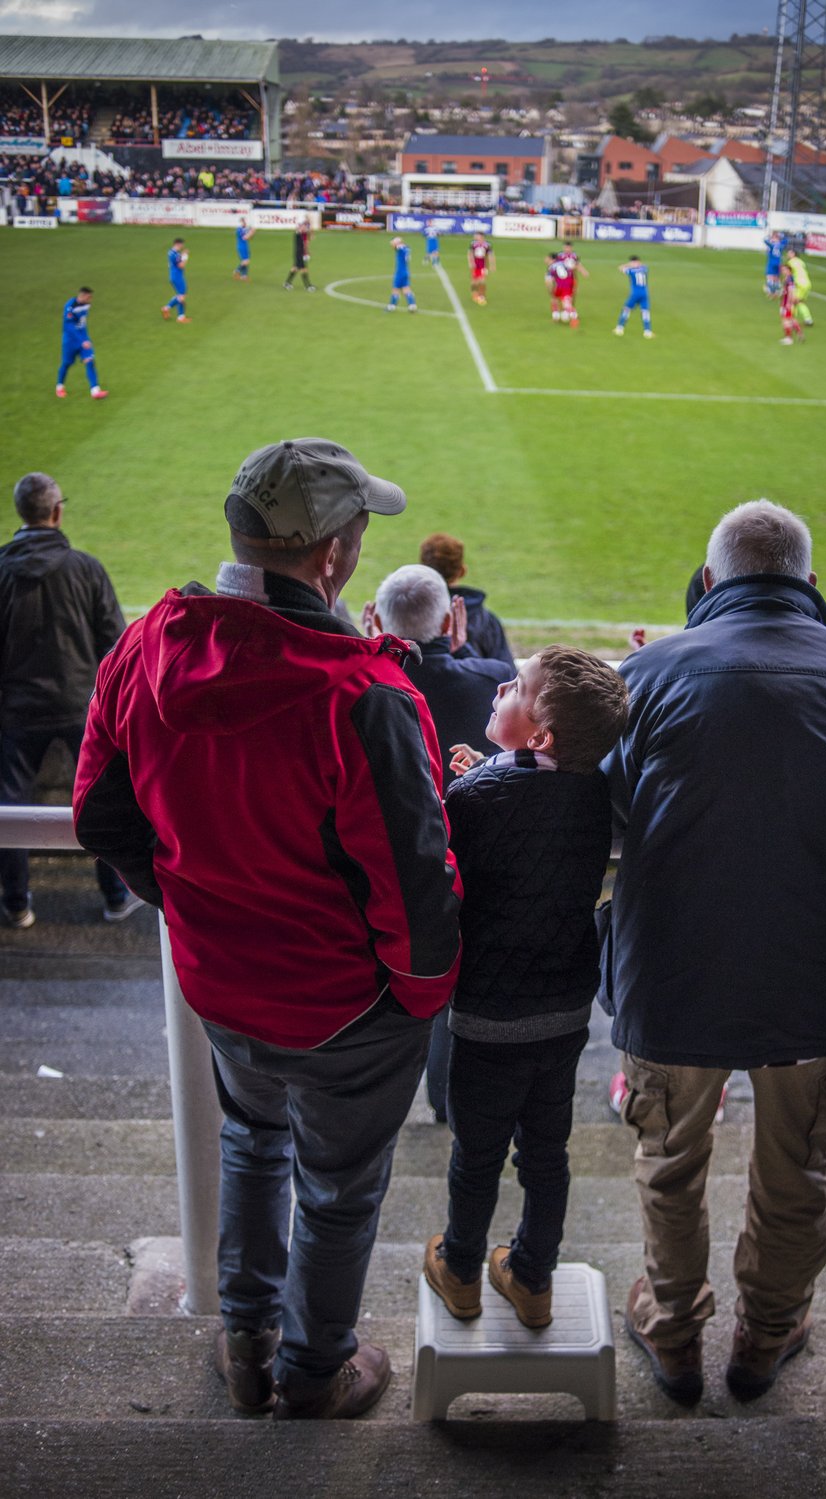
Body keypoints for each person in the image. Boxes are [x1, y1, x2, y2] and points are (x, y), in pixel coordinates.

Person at [73, 438, 462, 1420]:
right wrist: (417, 997)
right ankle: (314, 1367)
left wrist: (194, 904)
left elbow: (98, 812)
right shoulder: (360, 692)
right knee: (337, 1186)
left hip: (221, 981)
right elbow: (414, 882)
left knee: (252, 1140)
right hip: (346, 1006)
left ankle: (245, 1341)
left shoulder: (147, 642)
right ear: (331, 556)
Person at [602, 499, 826, 1406]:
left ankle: (675, 1329)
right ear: (810, 584)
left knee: (669, 1159)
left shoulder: (647, 670)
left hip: (674, 967)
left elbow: (610, 806)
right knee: (797, 1167)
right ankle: (765, 1337)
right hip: (807, 971)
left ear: (707, 581)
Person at [423, 647, 630, 1328]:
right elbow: (532, 811)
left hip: (487, 1012)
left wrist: (466, 785)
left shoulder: (475, 797)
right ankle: (533, 1276)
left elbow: (464, 844)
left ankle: (458, 1266)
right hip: (565, 1010)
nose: (501, 685)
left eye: (515, 684)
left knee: (476, 1152)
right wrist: (479, 776)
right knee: (546, 1149)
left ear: (539, 734)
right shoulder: (593, 793)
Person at [368, 563, 511, 1121]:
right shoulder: (494, 676)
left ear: (376, 619)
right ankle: (449, 1103)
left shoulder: (370, 687)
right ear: (455, 618)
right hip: (476, 866)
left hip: (389, 870)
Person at [1, 472, 134, 927]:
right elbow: (115, 645)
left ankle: (17, 903)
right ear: (57, 512)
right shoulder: (86, 569)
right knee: (102, 798)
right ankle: (115, 896)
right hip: (81, 707)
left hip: (16, 713)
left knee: (11, 806)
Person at [418, 531, 515, 673]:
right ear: (462, 571)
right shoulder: (486, 621)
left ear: (422, 569)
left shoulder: (407, 615)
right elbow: (509, 676)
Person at [56, 286, 108, 399]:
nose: (91, 299)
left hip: (83, 339)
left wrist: (86, 339)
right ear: (83, 296)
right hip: (70, 341)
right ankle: (59, 387)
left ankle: (95, 391)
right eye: (89, 297)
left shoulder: (86, 305)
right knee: (66, 363)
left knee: (90, 361)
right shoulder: (70, 307)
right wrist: (81, 341)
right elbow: (69, 327)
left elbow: (82, 324)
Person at [614, 256, 653, 338]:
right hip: (645, 293)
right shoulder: (644, 268)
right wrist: (637, 263)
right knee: (645, 311)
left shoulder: (630, 271)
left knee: (626, 309)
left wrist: (628, 264)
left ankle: (619, 328)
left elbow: (620, 268)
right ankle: (647, 331)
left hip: (635, 294)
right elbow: (643, 265)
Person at [283, 217, 316, 292]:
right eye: (303, 226)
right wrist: (307, 252)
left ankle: (287, 283)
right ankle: (308, 286)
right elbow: (305, 242)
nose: (304, 227)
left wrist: (309, 224)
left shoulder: (303, 234)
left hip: (299, 253)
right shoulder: (299, 233)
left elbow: (310, 236)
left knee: (295, 268)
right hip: (299, 253)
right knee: (304, 269)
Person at [162, 238, 190, 322]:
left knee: (180, 296)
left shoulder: (171, 252)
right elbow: (181, 265)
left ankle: (181, 316)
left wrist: (181, 255)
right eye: (182, 244)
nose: (182, 246)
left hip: (173, 275)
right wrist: (185, 256)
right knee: (182, 296)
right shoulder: (176, 254)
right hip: (177, 276)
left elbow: (176, 260)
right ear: (178, 244)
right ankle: (167, 308)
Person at [546, 253, 577, 326]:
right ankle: (573, 317)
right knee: (566, 302)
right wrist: (574, 287)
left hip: (559, 285)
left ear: (552, 259)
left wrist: (550, 290)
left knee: (554, 299)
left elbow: (548, 281)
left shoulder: (551, 267)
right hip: (568, 285)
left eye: (548, 259)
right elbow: (572, 273)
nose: (546, 260)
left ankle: (556, 317)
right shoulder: (564, 264)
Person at [386, 236, 417, 312]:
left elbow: (394, 246)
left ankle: (391, 306)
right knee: (406, 289)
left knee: (395, 289)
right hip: (406, 271)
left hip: (400, 272)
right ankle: (412, 305)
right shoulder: (407, 248)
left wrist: (394, 242)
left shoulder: (400, 248)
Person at [786, 250, 813, 327]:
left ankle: (791, 320)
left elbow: (789, 275)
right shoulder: (801, 261)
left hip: (799, 283)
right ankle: (808, 319)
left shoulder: (790, 262)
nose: (787, 254)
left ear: (794, 254)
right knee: (800, 302)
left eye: (789, 253)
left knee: (792, 301)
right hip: (807, 283)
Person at [779, 264, 804, 345]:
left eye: (784, 270)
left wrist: (789, 303)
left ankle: (789, 339)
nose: (782, 271)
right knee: (791, 319)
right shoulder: (787, 278)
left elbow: (791, 291)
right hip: (785, 302)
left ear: (789, 270)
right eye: (782, 270)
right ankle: (800, 333)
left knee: (786, 320)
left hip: (787, 303)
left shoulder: (789, 279)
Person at [468, 233, 494, 305]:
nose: (475, 237)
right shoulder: (473, 244)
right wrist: (471, 263)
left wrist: (492, 265)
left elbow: (490, 255)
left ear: (482, 237)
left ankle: (482, 295)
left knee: (482, 281)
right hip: (475, 266)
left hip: (483, 266)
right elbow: (470, 254)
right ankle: (474, 294)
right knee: (474, 281)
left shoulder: (487, 245)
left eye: (477, 236)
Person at [763, 230, 786, 297]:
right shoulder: (781, 245)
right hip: (778, 262)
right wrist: (781, 235)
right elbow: (786, 240)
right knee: (776, 278)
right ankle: (777, 291)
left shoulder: (772, 245)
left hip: (771, 263)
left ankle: (771, 291)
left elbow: (765, 240)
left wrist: (769, 236)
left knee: (769, 277)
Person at [233, 216, 255, 281]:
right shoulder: (239, 230)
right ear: (241, 222)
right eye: (243, 221)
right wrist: (252, 232)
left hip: (245, 245)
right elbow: (245, 237)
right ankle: (237, 270)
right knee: (246, 261)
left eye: (245, 221)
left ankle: (244, 276)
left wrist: (251, 232)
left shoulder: (246, 229)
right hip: (241, 246)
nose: (245, 222)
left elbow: (250, 238)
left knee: (246, 260)